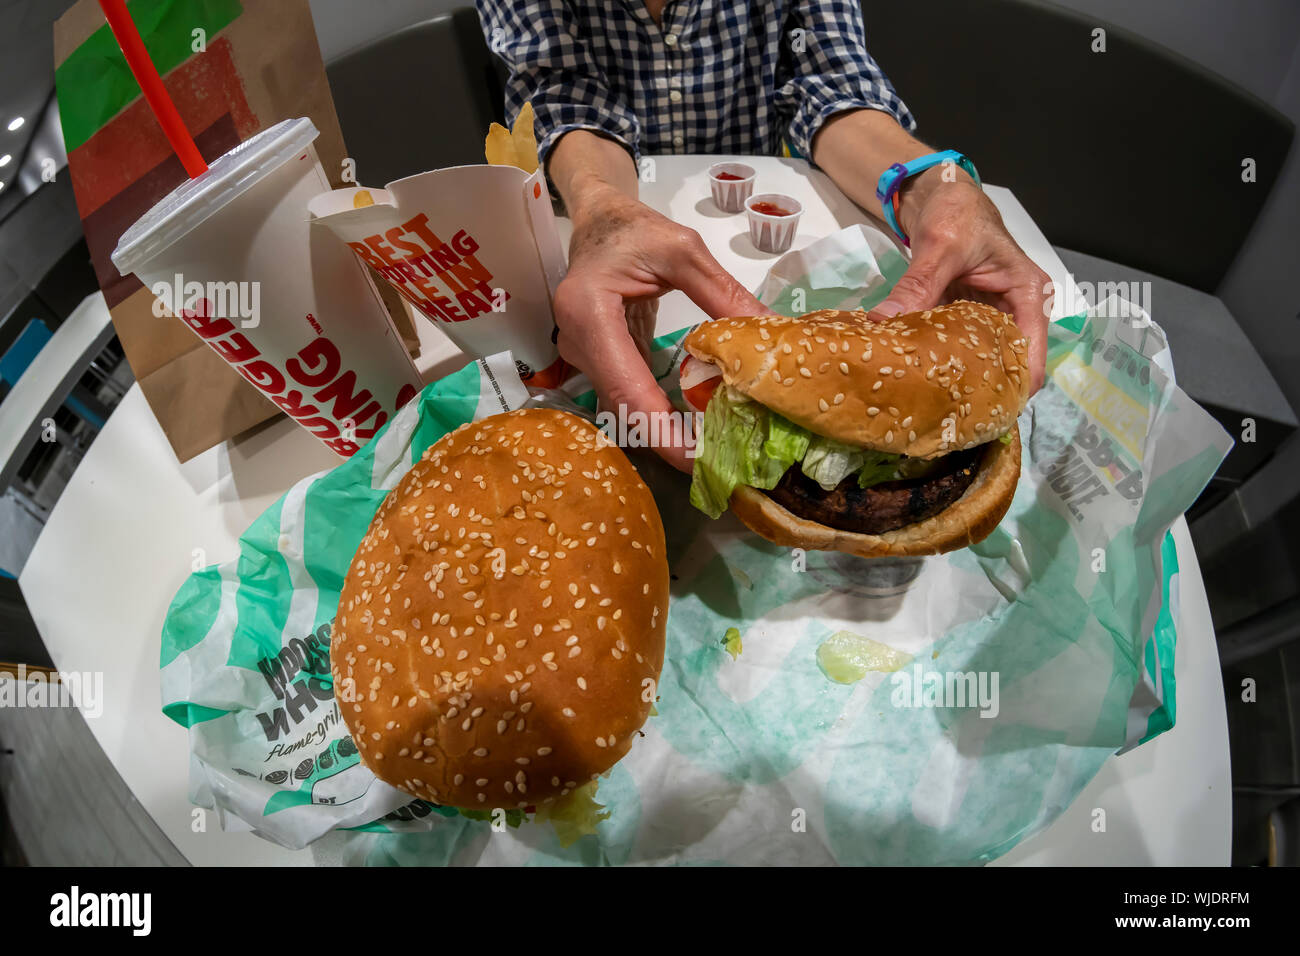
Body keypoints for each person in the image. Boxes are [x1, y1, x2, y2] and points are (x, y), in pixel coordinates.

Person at [478, 0, 1050, 470]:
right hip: (627, 275)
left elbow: (829, 81)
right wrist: (602, 208)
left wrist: (931, 187)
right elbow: (564, 94)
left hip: (772, 236)